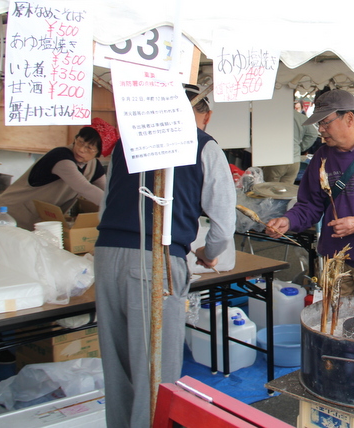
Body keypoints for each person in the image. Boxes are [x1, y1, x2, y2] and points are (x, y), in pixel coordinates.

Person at [94, 84, 236, 428]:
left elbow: (104, 206)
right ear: (203, 113)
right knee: (157, 372)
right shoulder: (204, 145)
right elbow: (223, 221)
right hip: (153, 260)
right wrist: (208, 253)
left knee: (117, 367)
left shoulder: (127, 143)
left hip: (106, 254)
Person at [266, 89, 354, 296]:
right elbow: (309, 205)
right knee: (334, 321)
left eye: (326, 122)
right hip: (334, 258)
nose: (321, 130)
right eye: (319, 124)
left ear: (349, 118)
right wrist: (288, 221)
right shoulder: (321, 157)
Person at [0, 126, 107, 242]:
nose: (81, 149)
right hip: (10, 214)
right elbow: (85, 188)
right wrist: (115, 207)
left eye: (89, 148)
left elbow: (107, 190)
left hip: (37, 221)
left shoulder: (93, 165)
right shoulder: (61, 157)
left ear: (98, 153)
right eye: (80, 142)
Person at [262, 109, 319, 184]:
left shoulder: (272, 115)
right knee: (287, 191)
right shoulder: (301, 117)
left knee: (270, 190)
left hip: (276, 159)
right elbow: (313, 134)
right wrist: (301, 147)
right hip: (294, 160)